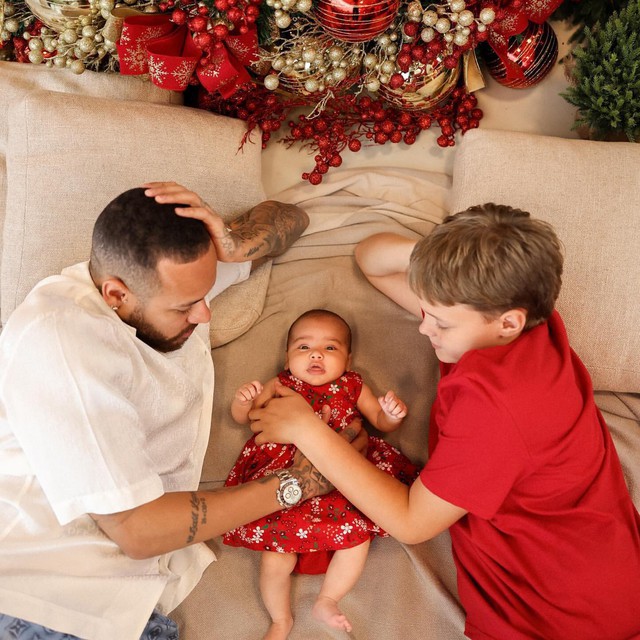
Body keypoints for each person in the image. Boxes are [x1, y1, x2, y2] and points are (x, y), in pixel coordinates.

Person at [248, 204, 640, 640]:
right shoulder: (517, 315)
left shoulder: (498, 410)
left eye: (441, 322)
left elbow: (412, 523)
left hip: (563, 612)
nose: (423, 327)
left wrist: (308, 429)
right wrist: (441, 258)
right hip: (606, 561)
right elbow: (371, 260)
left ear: (508, 323)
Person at [0, 181, 337, 640]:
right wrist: (297, 483)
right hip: (40, 601)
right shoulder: (64, 339)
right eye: (186, 308)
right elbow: (137, 531)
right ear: (116, 295)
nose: (205, 315)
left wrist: (235, 243)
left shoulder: (167, 281)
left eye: (204, 295)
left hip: (122, 606)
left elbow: (291, 217)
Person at [223, 308, 418, 639]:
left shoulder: (353, 385)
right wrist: (242, 403)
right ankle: (280, 619)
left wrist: (390, 415)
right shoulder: (281, 383)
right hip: (284, 475)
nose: (316, 354)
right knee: (276, 557)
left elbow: (378, 421)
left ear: (348, 359)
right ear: (286, 358)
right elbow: (249, 416)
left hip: (342, 475)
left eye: (330, 348)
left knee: (357, 538)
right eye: (303, 347)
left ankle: (328, 599)